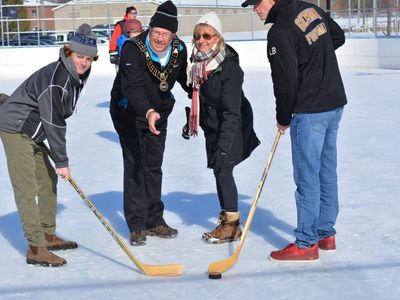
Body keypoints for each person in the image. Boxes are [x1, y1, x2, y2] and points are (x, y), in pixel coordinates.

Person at [242, 0, 347, 261]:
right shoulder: (309, 8)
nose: (255, 9)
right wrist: (314, 59)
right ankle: (326, 233)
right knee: (325, 170)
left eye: (257, 3)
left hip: (310, 110)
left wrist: (283, 117)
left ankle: (306, 242)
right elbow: (337, 36)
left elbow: (285, 81)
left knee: (308, 176)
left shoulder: (279, 30)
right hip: (334, 102)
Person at [0, 23, 98, 267]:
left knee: (47, 178)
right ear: (68, 53)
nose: (84, 62)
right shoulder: (59, 79)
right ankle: (36, 247)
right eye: (79, 56)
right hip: (15, 129)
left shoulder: (75, 76)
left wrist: (58, 159)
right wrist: (62, 161)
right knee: (26, 186)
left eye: (88, 58)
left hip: (32, 132)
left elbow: (54, 119)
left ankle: (48, 234)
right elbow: (54, 122)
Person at [109, 1, 191, 246]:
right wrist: (148, 111)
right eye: (156, 32)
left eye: (165, 34)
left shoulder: (179, 49)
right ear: (150, 29)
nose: (159, 39)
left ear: (173, 34)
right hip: (129, 113)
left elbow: (184, 78)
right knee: (135, 165)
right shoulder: (133, 49)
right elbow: (131, 88)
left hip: (160, 113)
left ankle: (154, 219)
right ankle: (136, 224)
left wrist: (200, 89)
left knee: (153, 166)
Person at [186, 12, 260, 243]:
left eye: (207, 35)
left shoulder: (229, 68)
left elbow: (232, 112)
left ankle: (232, 225)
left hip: (233, 125)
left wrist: (226, 145)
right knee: (219, 170)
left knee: (224, 169)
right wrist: (190, 119)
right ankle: (227, 218)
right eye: (198, 35)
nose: (201, 40)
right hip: (214, 125)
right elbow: (200, 97)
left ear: (218, 37)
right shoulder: (199, 65)